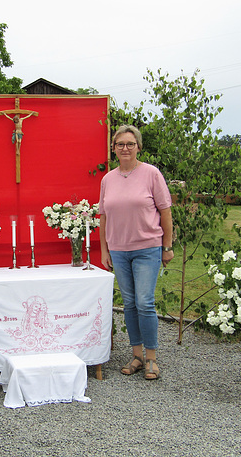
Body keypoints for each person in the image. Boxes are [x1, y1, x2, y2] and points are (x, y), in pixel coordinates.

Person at [98, 124, 174, 380]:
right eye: (120, 144)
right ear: (114, 149)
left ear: (139, 147)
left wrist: (167, 247)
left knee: (145, 302)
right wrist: (104, 250)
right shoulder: (108, 179)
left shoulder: (151, 174)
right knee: (129, 303)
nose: (125, 148)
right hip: (119, 250)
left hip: (147, 248)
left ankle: (152, 358)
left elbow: (165, 212)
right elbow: (103, 216)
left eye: (130, 144)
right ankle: (137, 355)